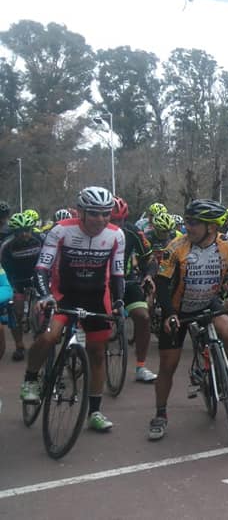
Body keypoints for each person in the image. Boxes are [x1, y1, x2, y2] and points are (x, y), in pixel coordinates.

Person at [148, 199, 228, 441]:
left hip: (208, 302)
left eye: (193, 223)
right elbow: (162, 283)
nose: (188, 227)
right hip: (178, 310)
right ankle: (160, 414)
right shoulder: (176, 247)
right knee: (167, 367)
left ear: (211, 226)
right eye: (187, 221)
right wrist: (169, 313)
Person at [23, 186, 126, 433]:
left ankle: (95, 411)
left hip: (96, 296)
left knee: (97, 353)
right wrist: (45, 295)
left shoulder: (116, 235)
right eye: (94, 213)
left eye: (106, 214)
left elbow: (118, 274)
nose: (101, 219)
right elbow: (42, 268)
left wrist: (119, 302)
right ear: (81, 212)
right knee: (49, 336)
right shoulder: (61, 230)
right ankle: (31, 379)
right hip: (63, 294)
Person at [110, 197, 158, 383]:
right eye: (112, 220)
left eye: (120, 220)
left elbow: (149, 259)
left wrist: (148, 275)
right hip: (100, 283)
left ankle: (141, 367)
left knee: (143, 317)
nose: (116, 225)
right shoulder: (93, 232)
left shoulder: (132, 231)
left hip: (126, 280)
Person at [0, 212, 43, 361]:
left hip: (37, 277)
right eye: (20, 231)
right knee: (16, 312)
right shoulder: (6, 246)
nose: (25, 234)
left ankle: (41, 336)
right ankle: (19, 346)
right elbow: (4, 269)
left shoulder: (40, 239)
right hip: (17, 279)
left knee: (43, 309)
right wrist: (10, 286)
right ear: (14, 232)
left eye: (27, 230)